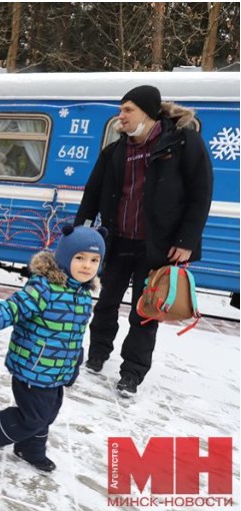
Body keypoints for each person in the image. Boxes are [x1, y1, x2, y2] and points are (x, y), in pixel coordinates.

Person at [74, 85, 213, 397]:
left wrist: (187, 239)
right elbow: (92, 194)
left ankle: (132, 373)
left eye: (127, 110)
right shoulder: (115, 151)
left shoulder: (183, 143)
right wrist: (81, 229)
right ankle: (97, 354)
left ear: (147, 113)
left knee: (146, 310)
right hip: (118, 241)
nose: (120, 116)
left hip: (158, 247)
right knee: (106, 302)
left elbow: (201, 193)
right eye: (121, 109)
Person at [0, 225, 106, 473]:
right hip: (32, 368)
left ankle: (29, 449)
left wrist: (75, 362)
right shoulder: (44, 289)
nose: (87, 265)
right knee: (33, 417)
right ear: (65, 257)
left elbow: (75, 334)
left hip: (56, 372)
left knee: (48, 414)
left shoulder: (83, 295)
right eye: (80, 258)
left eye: (94, 260)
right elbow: (13, 308)